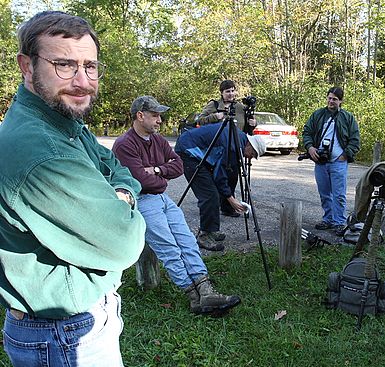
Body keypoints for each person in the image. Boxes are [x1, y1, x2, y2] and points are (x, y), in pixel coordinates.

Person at [0, 11, 146, 366]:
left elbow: (121, 170)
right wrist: (122, 202)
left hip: (64, 327)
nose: (82, 81)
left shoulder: (60, 120)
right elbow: (124, 242)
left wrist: (121, 193)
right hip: (62, 334)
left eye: (91, 66)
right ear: (27, 65)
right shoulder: (43, 153)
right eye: (64, 65)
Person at [112, 96, 241, 315]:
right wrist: (160, 175)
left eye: (160, 116)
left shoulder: (159, 140)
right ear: (140, 116)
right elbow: (139, 181)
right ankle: (193, 296)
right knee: (169, 248)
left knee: (187, 240)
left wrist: (156, 171)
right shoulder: (125, 144)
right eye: (155, 115)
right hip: (143, 200)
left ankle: (206, 290)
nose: (159, 120)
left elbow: (178, 166)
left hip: (162, 198)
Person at [174, 122, 266, 248]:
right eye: (253, 154)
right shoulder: (234, 146)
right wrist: (231, 199)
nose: (250, 158)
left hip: (194, 148)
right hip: (188, 151)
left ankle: (211, 230)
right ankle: (204, 236)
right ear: (250, 145)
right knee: (209, 195)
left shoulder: (238, 139)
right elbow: (220, 174)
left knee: (214, 192)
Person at [302, 86, 360, 236]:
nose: (331, 101)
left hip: (339, 162)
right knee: (324, 193)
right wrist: (310, 148)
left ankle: (339, 221)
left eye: (335, 99)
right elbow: (307, 132)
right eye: (329, 98)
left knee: (339, 194)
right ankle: (327, 219)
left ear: (341, 101)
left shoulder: (348, 118)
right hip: (320, 161)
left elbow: (355, 140)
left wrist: (345, 155)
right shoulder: (318, 115)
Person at [197, 79, 257, 217]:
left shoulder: (241, 107)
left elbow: (247, 127)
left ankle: (227, 207)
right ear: (222, 93)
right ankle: (213, 204)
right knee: (217, 176)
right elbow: (200, 120)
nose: (230, 94)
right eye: (227, 91)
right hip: (217, 147)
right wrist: (215, 116)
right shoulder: (214, 105)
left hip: (235, 147)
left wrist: (253, 123)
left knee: (232, 178)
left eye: (232, 91)